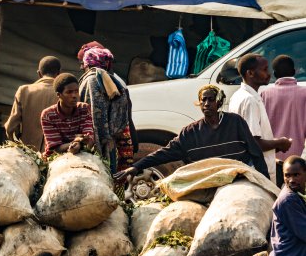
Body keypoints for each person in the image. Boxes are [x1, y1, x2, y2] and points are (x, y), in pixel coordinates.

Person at [114, 85, 269, 183]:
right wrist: (135, 167)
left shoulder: (235, 122)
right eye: (203, 100)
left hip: (237, 179)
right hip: (207, 181)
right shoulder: (190, 133)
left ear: (219, 103)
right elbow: (164, 153)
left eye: (211, 100)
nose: (207, 104)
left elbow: (255, 153)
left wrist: (265, 181)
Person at [228, 53, 292, 184]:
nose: (269, 73)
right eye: (264, 69)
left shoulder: (239, 96)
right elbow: (254, 143)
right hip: (258, 172)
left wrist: (275, 147)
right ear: (250, 73)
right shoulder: (249, 100)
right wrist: (280, 143)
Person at [79, 46, 133, 175]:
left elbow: (94, 117)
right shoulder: (111, 80)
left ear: (88, 64)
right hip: (112, 142)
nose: (81, 67)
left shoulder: (91, 80)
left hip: (95, 144)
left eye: (83, 64)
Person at [4, 56, 61, 152]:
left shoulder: (24, 90)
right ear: (59, 74)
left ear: (39, 73)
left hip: (28, 153)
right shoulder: (64, 95)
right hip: (55, 155)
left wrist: (15, 143)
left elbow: (11, 127)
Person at [261, 55, 306, 163]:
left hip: (272, 157)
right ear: (294, 71)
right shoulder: (304, 93)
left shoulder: (265, 94)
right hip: (299, 160)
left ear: (275, 74)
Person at [40, 73, 95, 157]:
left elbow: (89, 138)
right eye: (69, 92)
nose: (74, 96)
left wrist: (83, 141)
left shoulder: (84, 108)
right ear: (59, 95)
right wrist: (75, 143)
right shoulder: (48, 115)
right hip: (56, 158)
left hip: (83, 155)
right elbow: (55, 148)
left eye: (76, 91)